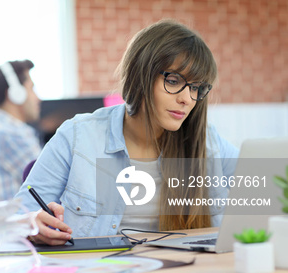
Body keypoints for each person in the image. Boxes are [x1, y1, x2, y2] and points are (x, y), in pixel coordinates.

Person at [13, 20, 239, 245]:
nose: (187, 99)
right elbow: (17, 218)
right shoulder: (78, 137)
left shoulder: (208, 143)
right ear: (140, 75)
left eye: (196, 88)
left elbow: (268, 189)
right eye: (173, 81)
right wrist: (30, 223)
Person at [0, 60, 42, 203]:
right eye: (31, 89)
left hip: (10, 220)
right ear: (15, 93)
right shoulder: (10, 134)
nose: (38, 98)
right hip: (21, 222)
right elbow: (51, 183)